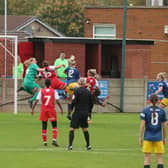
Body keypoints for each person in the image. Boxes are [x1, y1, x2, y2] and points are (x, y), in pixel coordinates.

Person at [31, 78, 63, 147]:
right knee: (54, 125)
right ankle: (54, 140)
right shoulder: (54, 91)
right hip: (51, 109)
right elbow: (57, 101)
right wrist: (61, 109)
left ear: (45, 84)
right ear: (50, 84)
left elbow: (36, 100)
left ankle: (45, 141)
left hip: (44, 110)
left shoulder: (41, 91)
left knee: (44, 125)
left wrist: (32, 109)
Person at [139, 94, 167, 168]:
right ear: (158, 101)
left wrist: (140, 137)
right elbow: (164, 126)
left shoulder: (145, 111)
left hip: (147, 137)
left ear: (149, 101)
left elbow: (142, 125)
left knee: (147, 158)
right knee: (160, 158)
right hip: (158, 138)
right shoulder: (162, 111)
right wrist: (164, 137)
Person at [67, 77, 92, 150]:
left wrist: (70, 111)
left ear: (78, 83)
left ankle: (70, 145)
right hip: (85, 113)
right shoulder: (88, 92)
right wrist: (89, 112)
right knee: (84, 128)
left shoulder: (76, 91)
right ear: (84, 84)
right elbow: (91, 103)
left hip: (77, 112)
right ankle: (88, 145)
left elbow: (74, 101)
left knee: (72, 128)